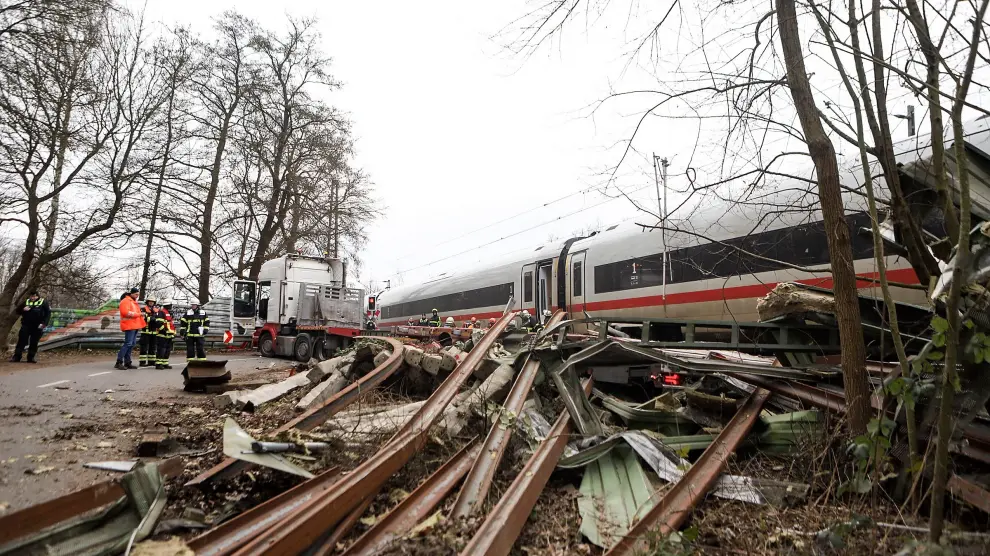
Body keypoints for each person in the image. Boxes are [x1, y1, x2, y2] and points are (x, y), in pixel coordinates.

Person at [10, 290, 51, 363]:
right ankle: (17, 357)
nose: (33, 298)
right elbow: (17, 311)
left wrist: (44, 324)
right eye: (32, 296)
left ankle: (31, 357)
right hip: (26, 325)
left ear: (38, 296)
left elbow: (48, 314)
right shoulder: (26, 302)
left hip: (38, 325)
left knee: (34, 342)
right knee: (21, 341)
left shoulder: (43, 302)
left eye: (34, 296)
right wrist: (23, 309)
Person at [116, 287, 145, 369]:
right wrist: (139, 314)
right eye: (136, 294)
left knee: (131, 344)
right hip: (129, 325)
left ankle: (127, 362)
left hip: (134, 325)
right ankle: (119, 362)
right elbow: (125, 312)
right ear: (131, 293)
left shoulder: (133, 302)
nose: (137, 296)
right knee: (128, 343)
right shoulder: (125, 301)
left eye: (138, 294)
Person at [139, 296, 160, 367]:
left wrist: (153, 319)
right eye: (150, 301)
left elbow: (158, 319)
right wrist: (151, 318)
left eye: (152, 301)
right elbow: (143, 318)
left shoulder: (156, 310)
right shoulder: (143, 309)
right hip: (145, 331)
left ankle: (151, 361)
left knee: (153, 347)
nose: (151, 302)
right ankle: (142, 362)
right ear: (147, 302)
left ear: (154, 302)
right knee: (144, 347)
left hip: (154, 332)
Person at [155, 299, 176, 370]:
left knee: (167, 349)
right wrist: (163, 330)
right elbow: (158, 323)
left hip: (168, 335)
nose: (171, 306)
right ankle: (158, 364)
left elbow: (170, 324)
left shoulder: (168, 312)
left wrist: (172, 332)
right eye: (170, 305)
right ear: (167, 305)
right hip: (162, 334)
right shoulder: (161, 312)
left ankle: (165, 363)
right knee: (161, 349)